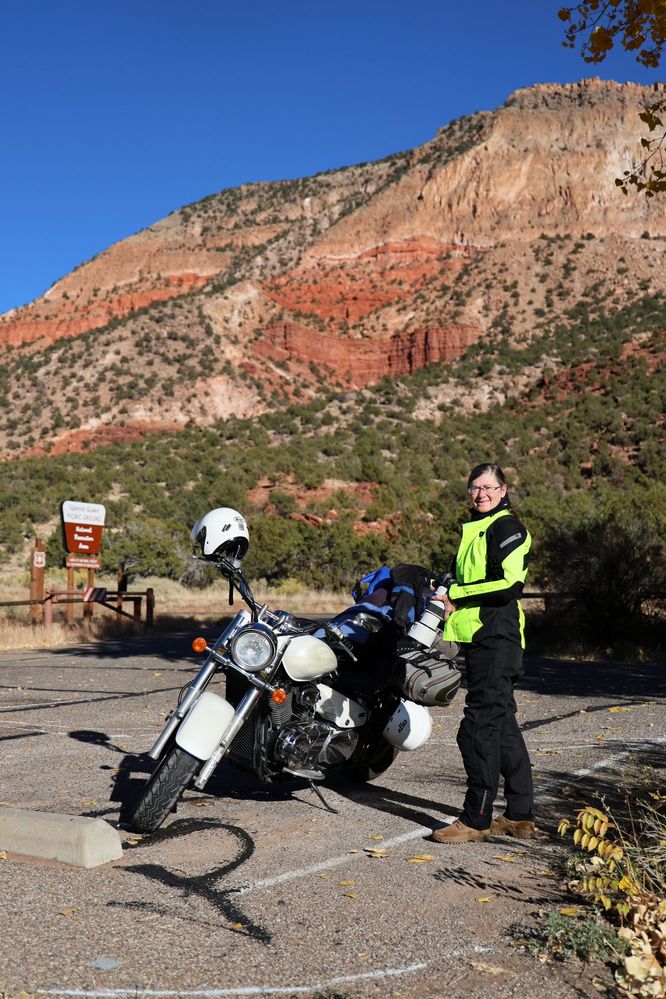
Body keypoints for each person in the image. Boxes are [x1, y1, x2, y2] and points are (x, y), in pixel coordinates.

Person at [431, 463, 536, 844]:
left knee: (476, 729)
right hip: (483, 638)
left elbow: (508, 584)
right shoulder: (477, 528)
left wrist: (454, 594)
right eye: (475, 488)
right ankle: (520, 815)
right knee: (502, 725)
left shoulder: (506, 527)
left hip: (497, 637)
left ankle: (476, 818)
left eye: (489, 487)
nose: (481, 494)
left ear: (504, 490)